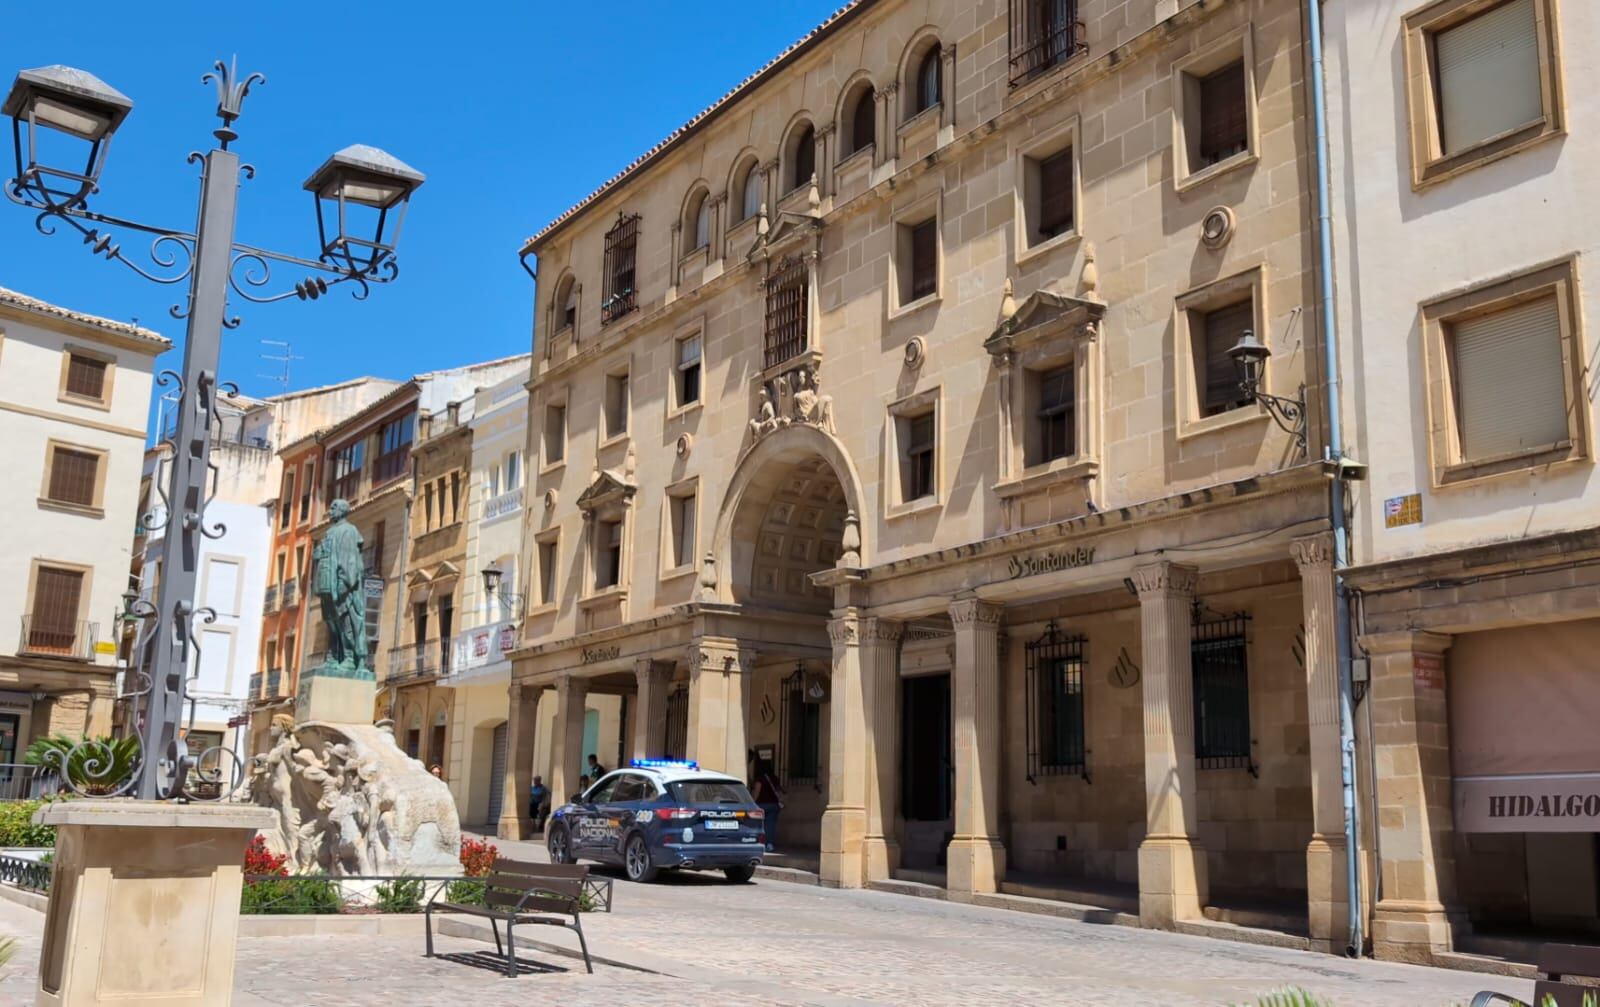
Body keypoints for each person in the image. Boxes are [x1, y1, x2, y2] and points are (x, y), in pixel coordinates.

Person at [749, 751, 785, 853]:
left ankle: (759, 843)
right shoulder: (774, 778)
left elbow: (756, 793)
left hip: (761, 805)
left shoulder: (760, 779)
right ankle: (770, 844)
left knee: (759, 825)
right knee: (771, 825)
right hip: (774, 805)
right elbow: (780, 790)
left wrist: (751, 804)